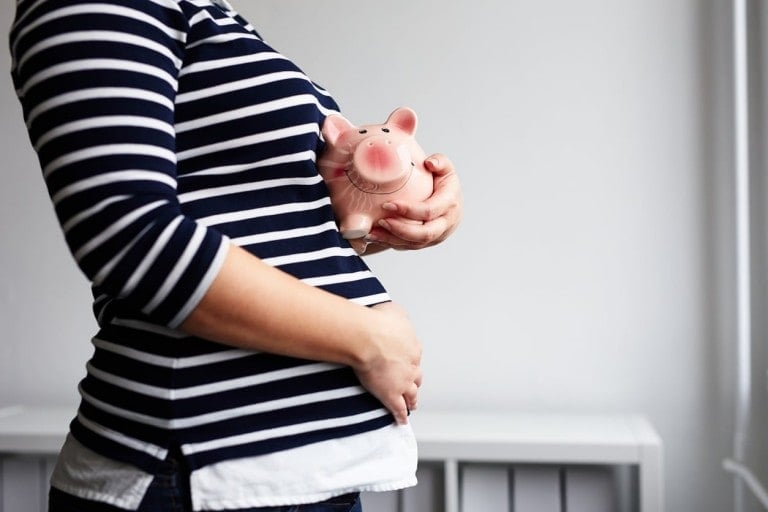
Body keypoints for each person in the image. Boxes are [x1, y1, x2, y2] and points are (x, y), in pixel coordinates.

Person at [9, 0, 463, 511]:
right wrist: (370, 339)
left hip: (287, 473)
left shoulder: (208, 12)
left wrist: (406, 206)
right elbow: (130, 237)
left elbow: (270, 230)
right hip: (206, 472)